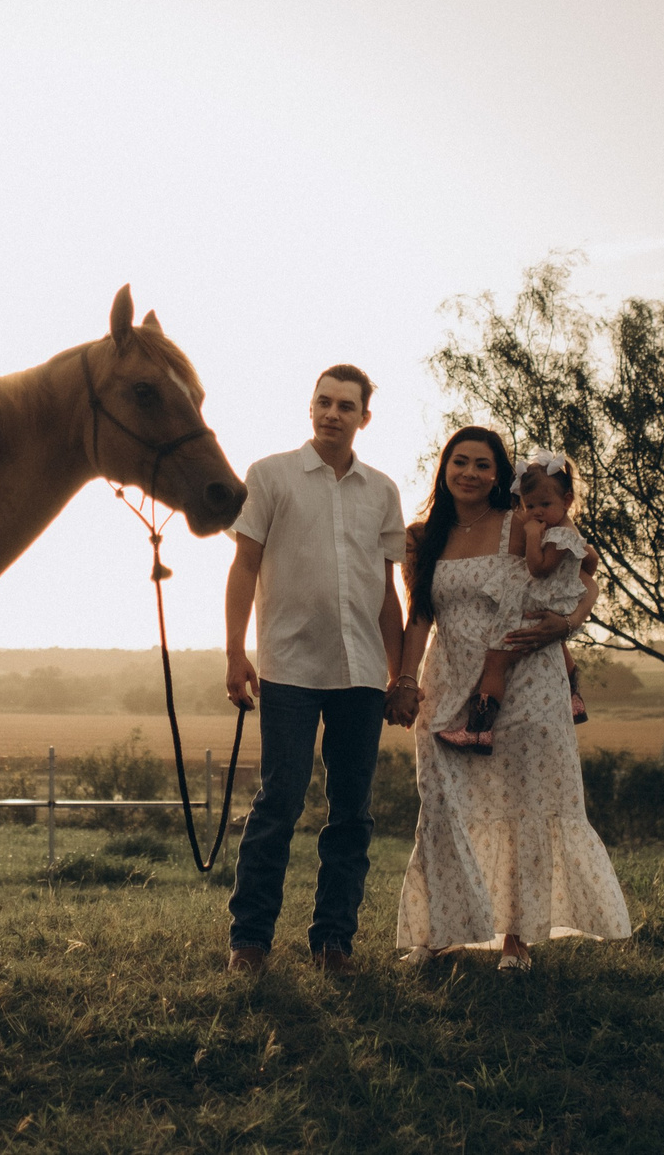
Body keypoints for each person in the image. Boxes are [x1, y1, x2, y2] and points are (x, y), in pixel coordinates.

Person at [391, 432, 630, 965]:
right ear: (444, 467)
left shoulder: (524, 520)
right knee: (441, 802)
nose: (470, 473)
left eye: (483, 464)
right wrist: (405, 681)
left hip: (525, 676)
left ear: (501, 475)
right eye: (460, 462)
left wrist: (567, 624)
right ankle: (438, 933)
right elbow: (420, 616)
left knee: (524, 802)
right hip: (449, 680)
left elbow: (586, 576)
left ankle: (516, 940)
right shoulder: (423, 535)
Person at [222, 365, 410, 976]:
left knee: (352, 812)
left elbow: (386, 591)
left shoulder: (381, 491)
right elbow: (244, 567)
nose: (333, 413)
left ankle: (335, 943)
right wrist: (234, 652)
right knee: (279, 802)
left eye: (346, 405)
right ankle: (249, 942)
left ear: (364, 417)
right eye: (323, 402)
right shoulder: (270, 476)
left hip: (361, 673)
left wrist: (400, 671)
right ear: (310, 409)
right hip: (289, 668)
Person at [433, 449, 586, 752]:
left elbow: (539, 568)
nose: (537, 512)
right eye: (530, 506)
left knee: (494, 662)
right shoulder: (562, 531)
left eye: (545, 504)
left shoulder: (559, 536)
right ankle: (575, 698)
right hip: (546, 605)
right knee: (554, 647)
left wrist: (531, 536)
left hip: (534, 608)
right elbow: (588, 560)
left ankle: (478, 730)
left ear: (567, 501)